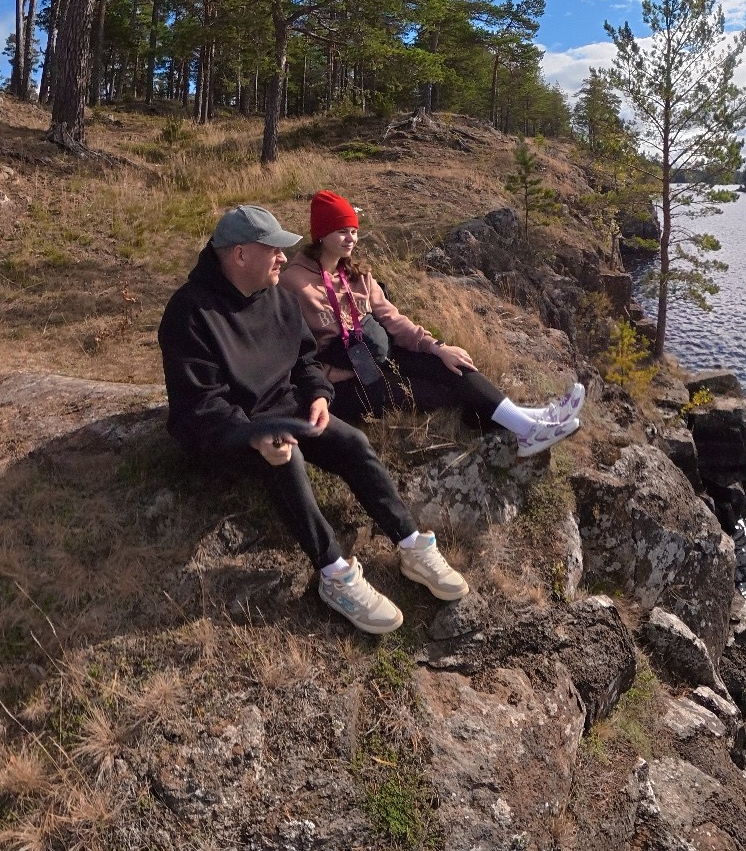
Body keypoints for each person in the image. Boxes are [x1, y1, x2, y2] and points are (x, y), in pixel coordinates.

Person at [158, 201, 468, 635]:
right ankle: (334, 573)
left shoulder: (276, 298)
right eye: (273, 249)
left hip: (287, 411)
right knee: (288, 460)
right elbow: (199, 404)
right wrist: (252, 435)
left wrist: (320, 397)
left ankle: (410, 542)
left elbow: (305, 361)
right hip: (227, 432)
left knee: (353, 443)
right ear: (240, 254)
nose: (284, 258)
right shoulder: (189, 314)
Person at [283, 190, 583, 457]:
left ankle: (530, 422)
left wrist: (436, 347)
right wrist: (324, 381)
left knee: (454, 366)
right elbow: (294, 351)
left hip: (378, 355)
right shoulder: (294, 284)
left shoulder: (358, 275)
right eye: (342, 231)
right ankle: (525, 424)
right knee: (434, 393)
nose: (351, 238)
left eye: (354, 231)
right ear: (321, 234)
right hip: (344, 380)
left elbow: (391, 318)